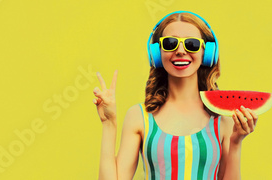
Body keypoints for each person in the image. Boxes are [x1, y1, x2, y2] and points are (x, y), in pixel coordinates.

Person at [93, 11, 259, 180]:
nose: (180, 51)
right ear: (157, 53)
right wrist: (109, 124)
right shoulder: (139, 117)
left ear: (207, 53)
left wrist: (236, 142)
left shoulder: (223, 121)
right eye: (170, 43)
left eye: (192, 44)